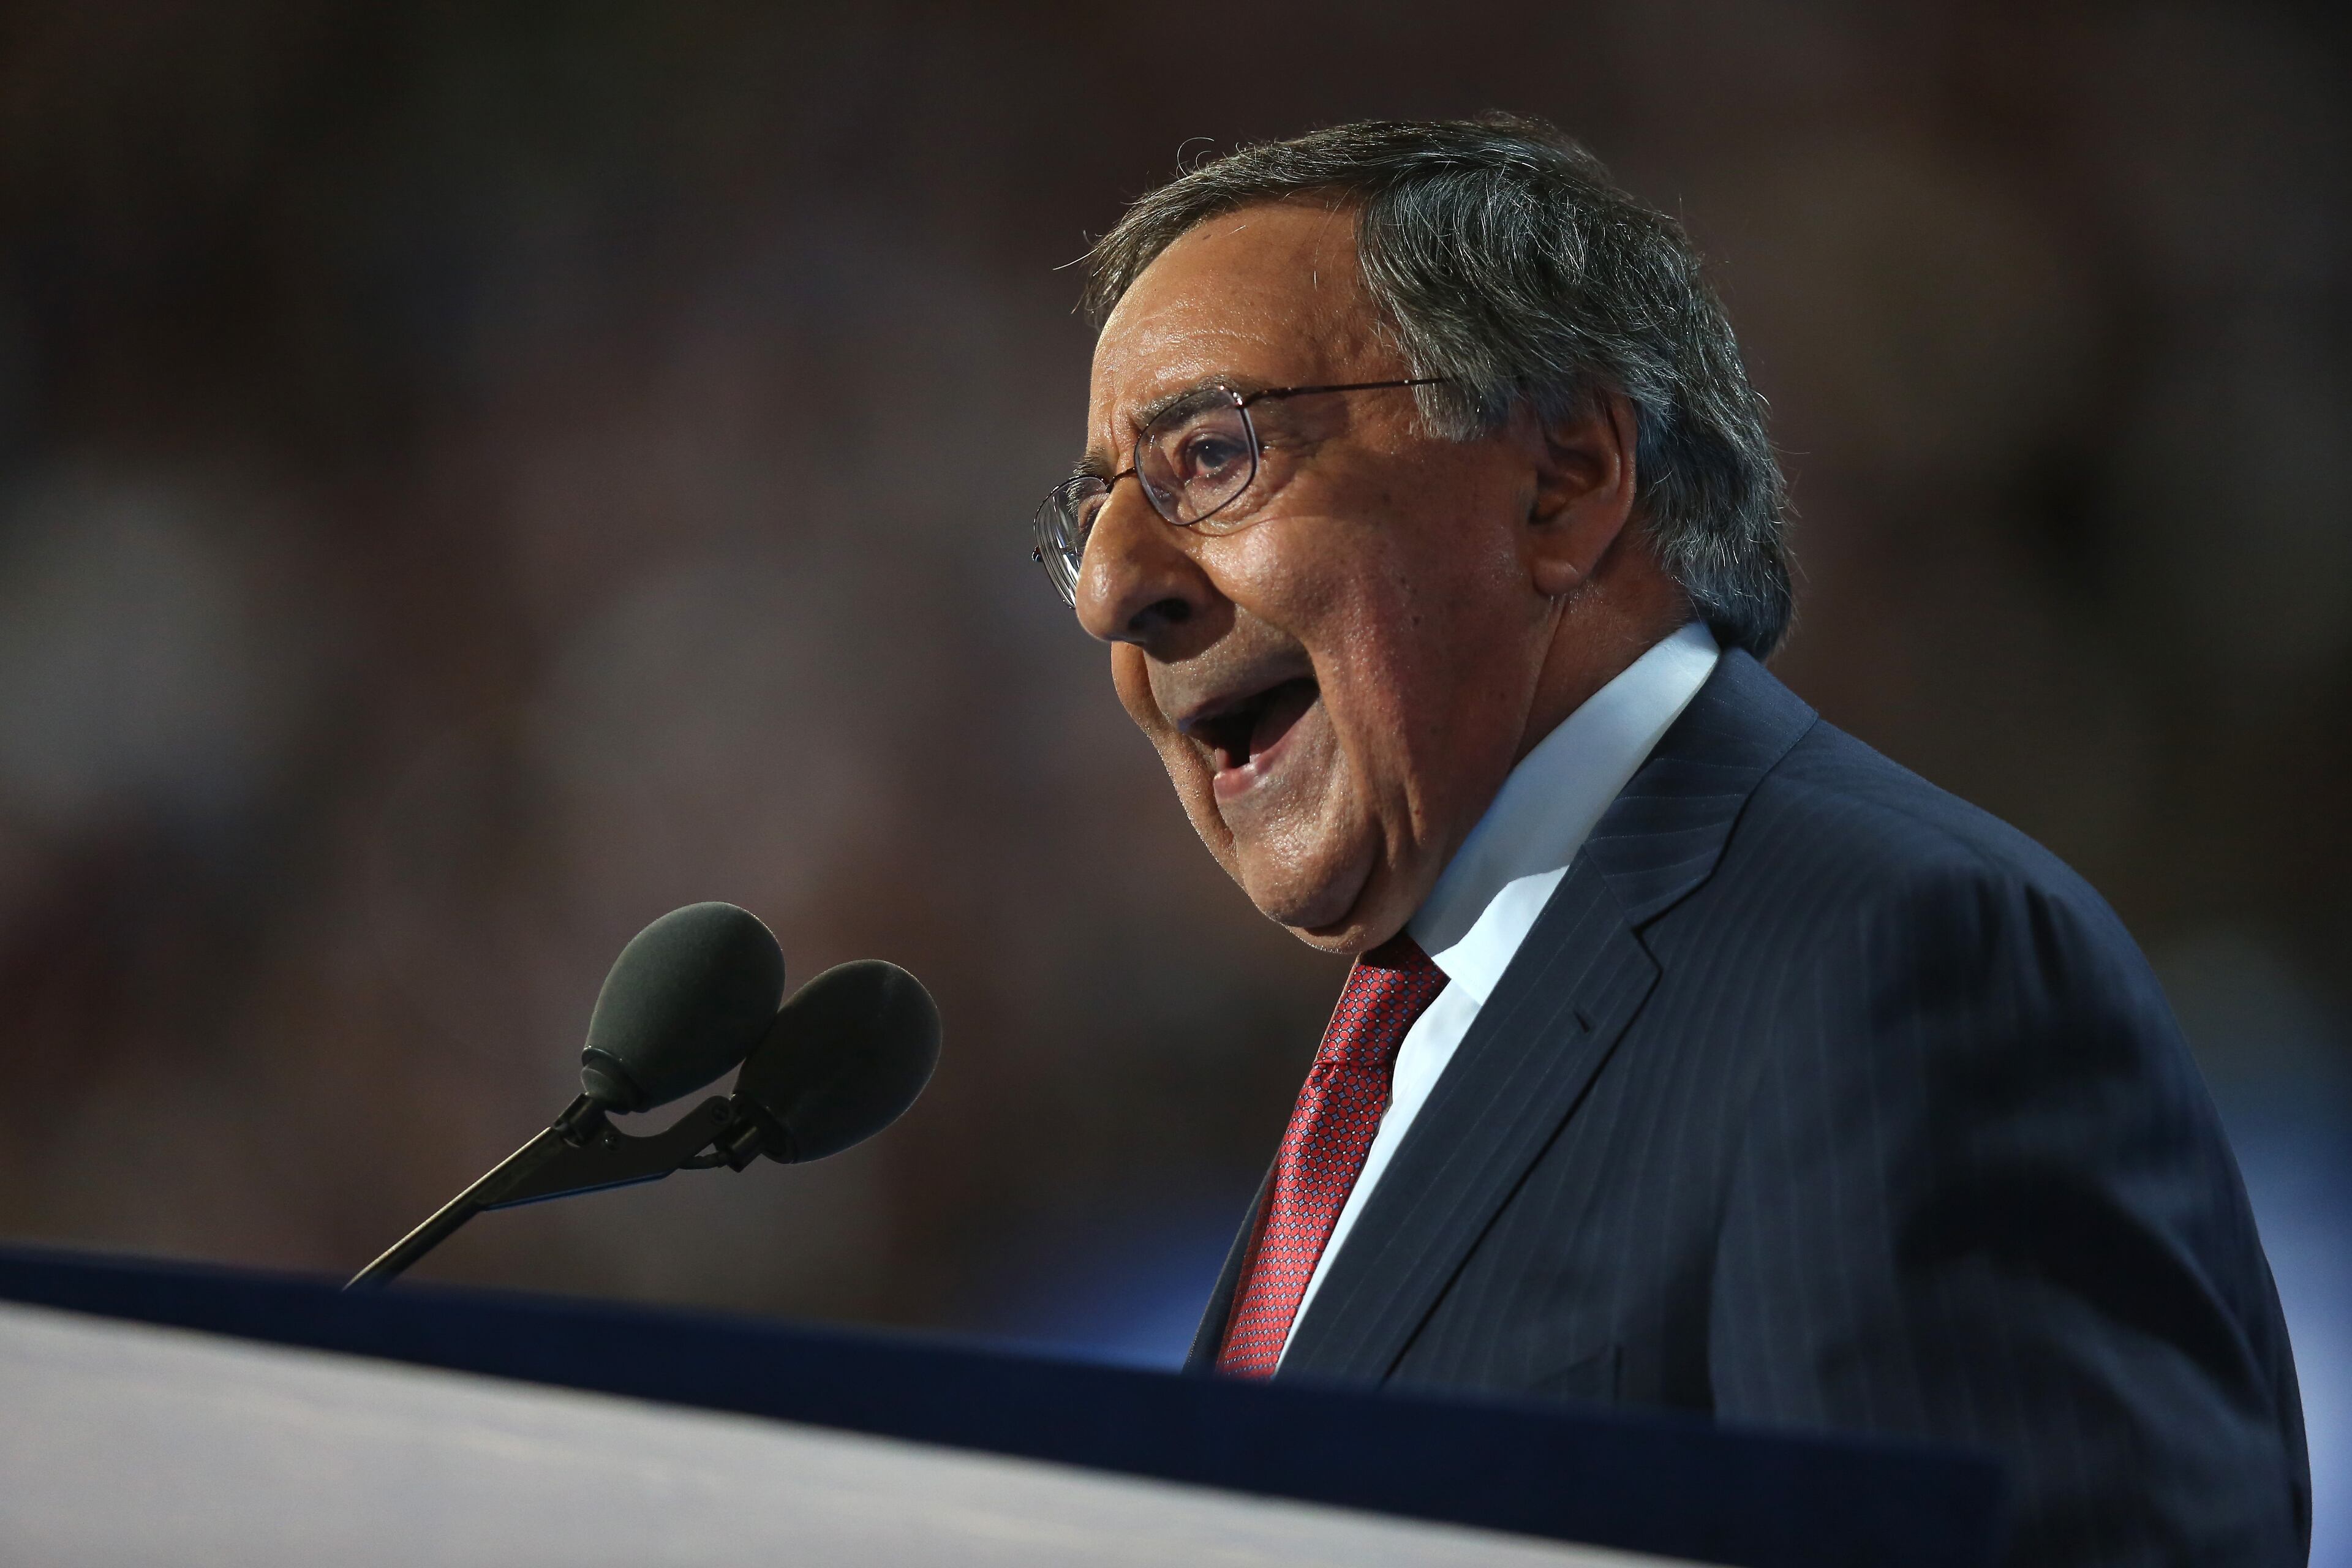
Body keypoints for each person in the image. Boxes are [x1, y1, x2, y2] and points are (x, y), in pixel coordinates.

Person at [1031, 116, 2310, 1566]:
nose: (1110, 592)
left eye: (1210, 452)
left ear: (1565, 476)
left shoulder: (1889, 961)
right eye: (1091, 517)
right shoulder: (1403, 1052)